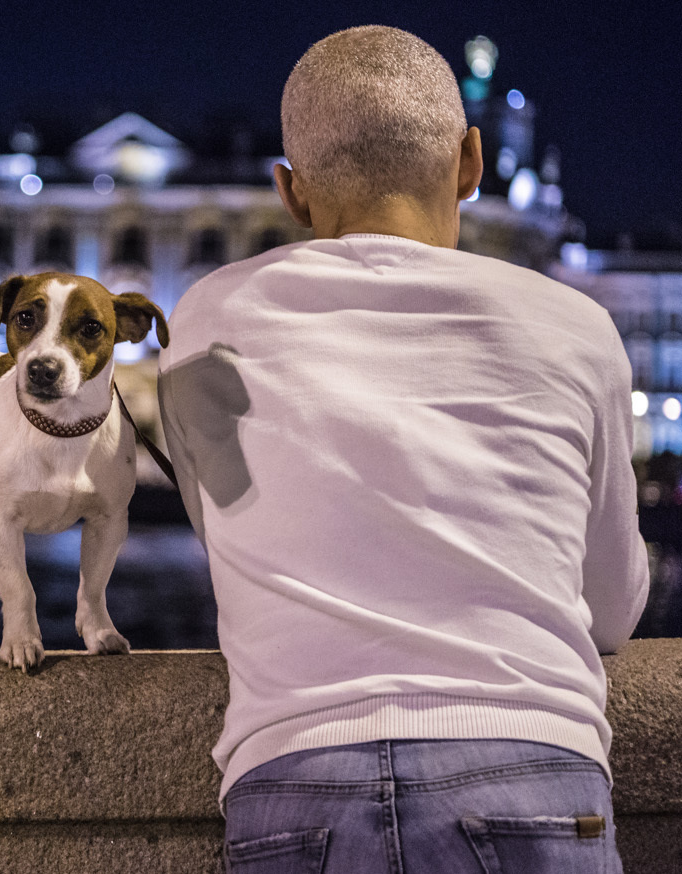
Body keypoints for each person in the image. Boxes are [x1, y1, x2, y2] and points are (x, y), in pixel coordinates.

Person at [157, 25, 649, 873]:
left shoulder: (206, 322)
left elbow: (225, 534)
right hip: (533, 770)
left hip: (293, 781)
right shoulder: (577, 328)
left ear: (291, 192)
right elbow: (611, 607)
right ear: (471, 162)